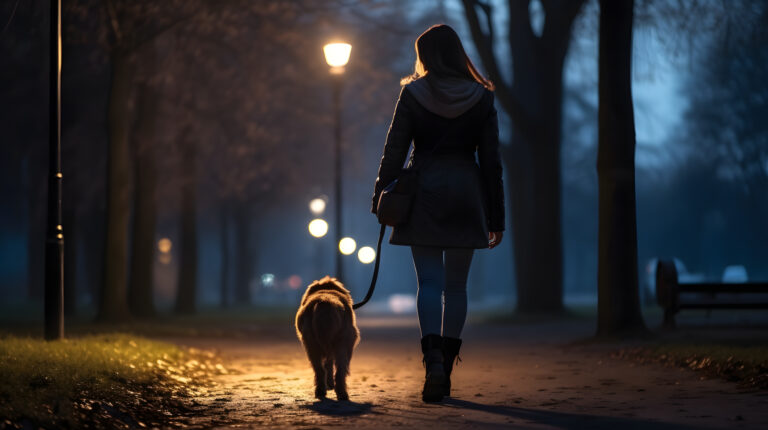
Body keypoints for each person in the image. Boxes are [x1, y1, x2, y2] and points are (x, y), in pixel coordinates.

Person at [371, 24, 505, 403]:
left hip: (424, 192)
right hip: (467, 192)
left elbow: (394, 150)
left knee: (428, 283)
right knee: (457, 286)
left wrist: (381, 195)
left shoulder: (413, 94)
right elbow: (492, 162)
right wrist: (497, 218)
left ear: (427, 56)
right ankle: (447, 363)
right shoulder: (482, 97)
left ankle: (432, 364)